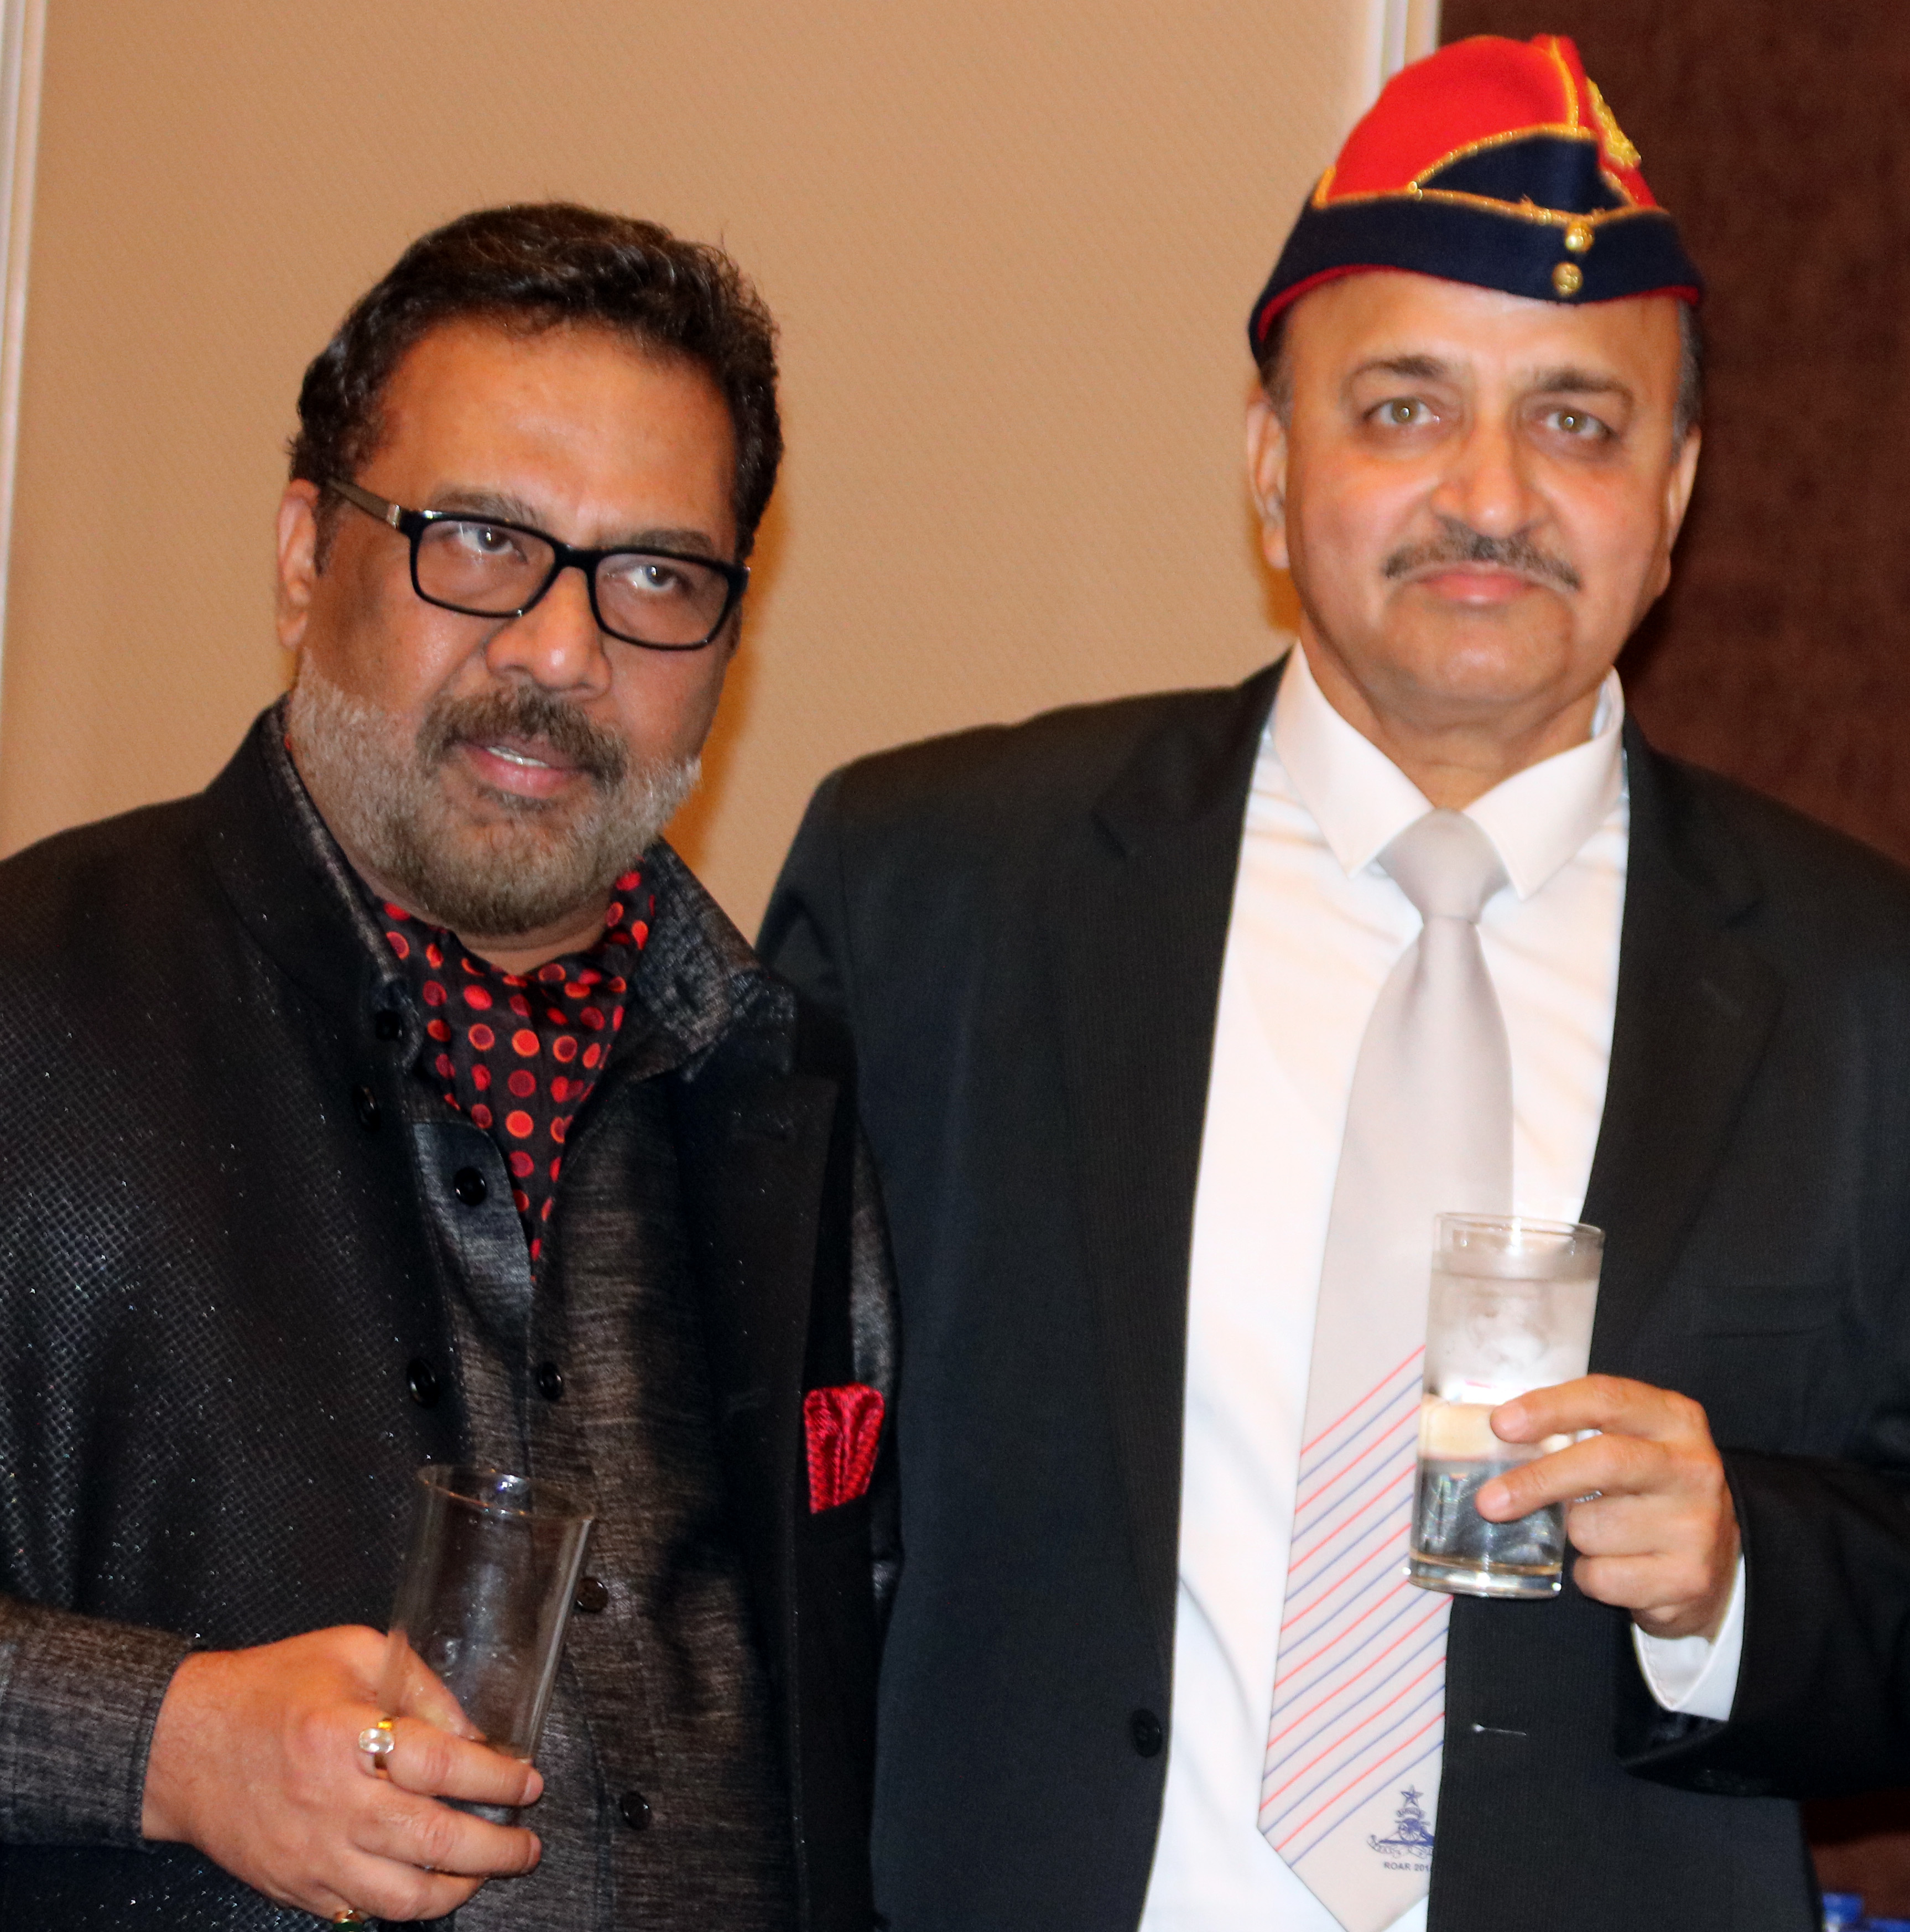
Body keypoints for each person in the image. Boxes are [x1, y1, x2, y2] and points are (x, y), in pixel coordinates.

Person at [762, 35, 1910, 1932]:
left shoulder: (1866, 987)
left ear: (1678, 489)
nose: (1491, 493)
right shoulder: (938, 893)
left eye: (1578, 421)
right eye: (1404, 406)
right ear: (1272, 461)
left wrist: (1734, 1574)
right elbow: (724, 1498)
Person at [0, 203, 892, 1931]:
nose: (561, 650)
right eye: (479, 539)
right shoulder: (35, 1006)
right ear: (301, 554)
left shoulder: (786, 1090)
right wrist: (165, 1743)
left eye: (655, 575)